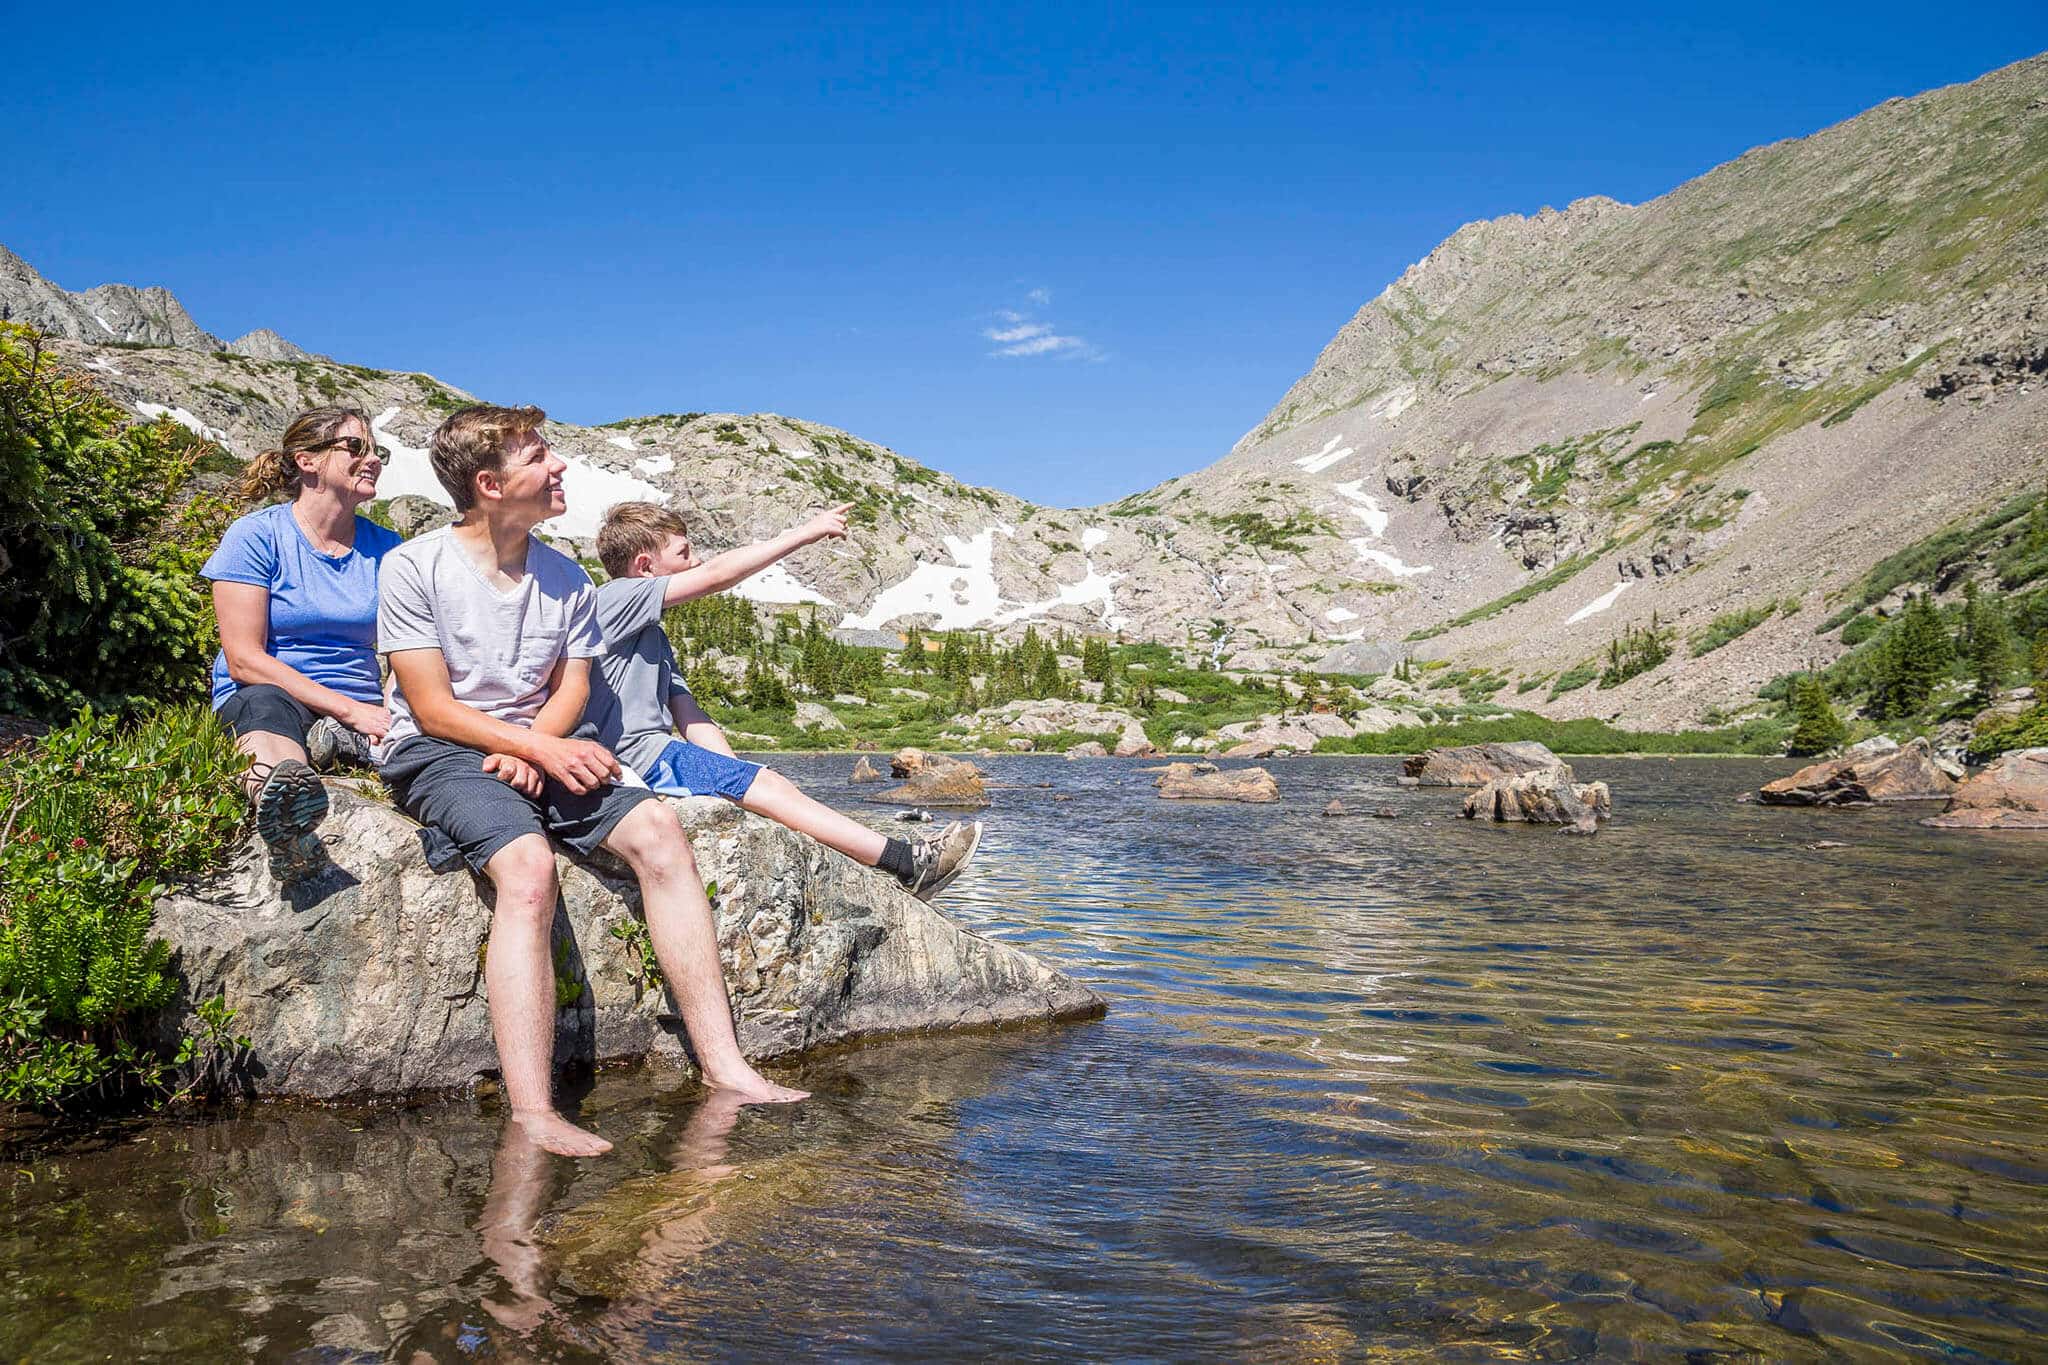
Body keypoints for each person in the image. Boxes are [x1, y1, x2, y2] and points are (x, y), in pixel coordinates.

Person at [377, 404, 803, 1157]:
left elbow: (571, 688)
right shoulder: (414, 566)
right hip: (441, 749)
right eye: (539, 456)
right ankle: (533, 1110)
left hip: (542, 741)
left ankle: (725, 1065)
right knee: (528, 869)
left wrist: (538, 747)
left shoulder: (568, 578)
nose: (559, 465)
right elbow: (432, 706)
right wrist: (529, 748)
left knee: (659, 832)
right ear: (490, 484)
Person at [584, 501, 982, 901]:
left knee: (765, 782)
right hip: (634, 758)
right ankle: (908, 863)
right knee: (768, 785)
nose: (696, 560)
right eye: (684, 553)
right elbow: (717, 575)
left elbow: (689, 714)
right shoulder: (617, 596)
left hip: (653, 753)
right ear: (645, 566)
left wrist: (737, 774)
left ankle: (902, 863)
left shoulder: (653, 635)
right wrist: (805, 533)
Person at [201, 406, 401, 874]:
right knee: (263, 704)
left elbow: (403, 651)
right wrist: (348, 710)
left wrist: (391, 712)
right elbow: (244, 659)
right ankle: (287, 813)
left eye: (378, 451)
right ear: (307, 460)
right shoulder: (256, 536)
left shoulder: (389, 549)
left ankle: (336, 747)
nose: (372, 459)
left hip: (363, 708)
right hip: (274, 694)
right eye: (356, 447)